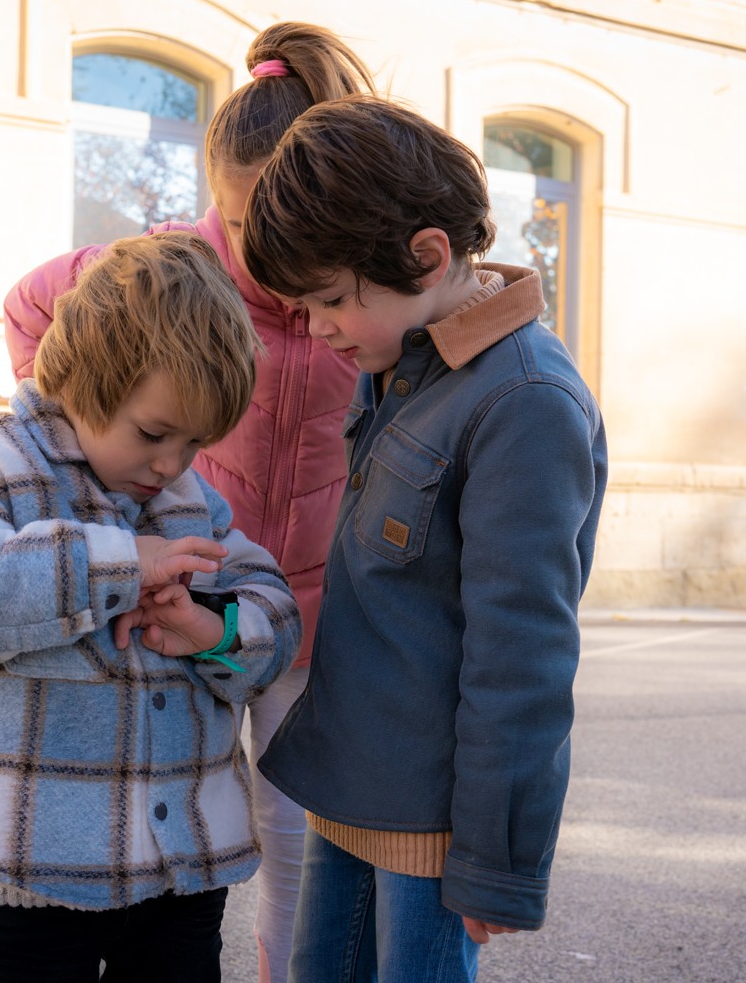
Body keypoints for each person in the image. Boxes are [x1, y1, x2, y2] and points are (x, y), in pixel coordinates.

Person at [2, 21, 373, 983]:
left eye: (287, 224)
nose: (266, 248)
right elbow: (32, 305)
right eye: (245, 223)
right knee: (177, 824)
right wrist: (77, 459)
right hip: (183, 586)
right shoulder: (169, 271)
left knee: (297, 840)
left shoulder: (353, 300)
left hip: (309, 607)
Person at [243, 95, 609, 983]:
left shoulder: (523, 402)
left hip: (433, 827)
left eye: (331, 299)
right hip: (350, 785)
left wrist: (496, 859)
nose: (319, 326)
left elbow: (521, 652)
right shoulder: (408, 359)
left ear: (427, 255)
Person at [0, 232, 302, 982]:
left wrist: (214, 631)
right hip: (32, 868)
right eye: (153, 433)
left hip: (183, 872)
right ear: (86, 377)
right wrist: (115, 563)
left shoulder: (189, 500)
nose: (173, 464)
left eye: (195, 442)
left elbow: (274, 607)